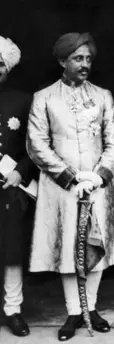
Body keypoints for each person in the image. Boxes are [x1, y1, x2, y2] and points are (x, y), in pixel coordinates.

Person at [27, 32, 114, 341]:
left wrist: (98, 176)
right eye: (78, 59)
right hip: (62, 188)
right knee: (69, 249)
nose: (85, 64)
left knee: (96, 246)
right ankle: (74, 312)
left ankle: (91, 309)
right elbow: (37, 145)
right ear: (62, 61)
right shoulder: (44, 98)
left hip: (98, 187)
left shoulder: (104, 95)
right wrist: (71, 178)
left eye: (88, 59)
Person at [0, 35, 37, 337]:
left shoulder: (22, 100)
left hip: (10, 188)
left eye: (1, 63)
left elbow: (34, 146)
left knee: (11, 248)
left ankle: (13, 309)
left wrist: (20, 173)